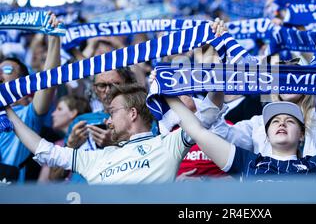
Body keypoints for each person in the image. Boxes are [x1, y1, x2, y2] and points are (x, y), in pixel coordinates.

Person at [166, 96, 316, 180]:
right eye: (275, 122)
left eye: (290, 121)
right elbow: (198, 131)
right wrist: (166, 95)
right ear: (266, 134)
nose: (281, 123)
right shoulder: (247, 162)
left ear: (301, 134)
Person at [5, 83, 193, 184]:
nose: (107, 121)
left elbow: (208, 116)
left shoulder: (167, 144)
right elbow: (46, 151)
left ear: (132, 113)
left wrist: (212, 58)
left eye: (112, 113)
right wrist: (8, 111)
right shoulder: (96, 158)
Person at [0, 12, 61, 183]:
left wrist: (54, 38)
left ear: (25, 89)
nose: (0, 73)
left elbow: (49, 81)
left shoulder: (26, 116)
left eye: (7, 70)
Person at [37, 95, 91, 183]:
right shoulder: (57, 145)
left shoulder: (90, 142)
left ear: (73, 113)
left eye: (59, 109)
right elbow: (43, 182)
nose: (53, 114)